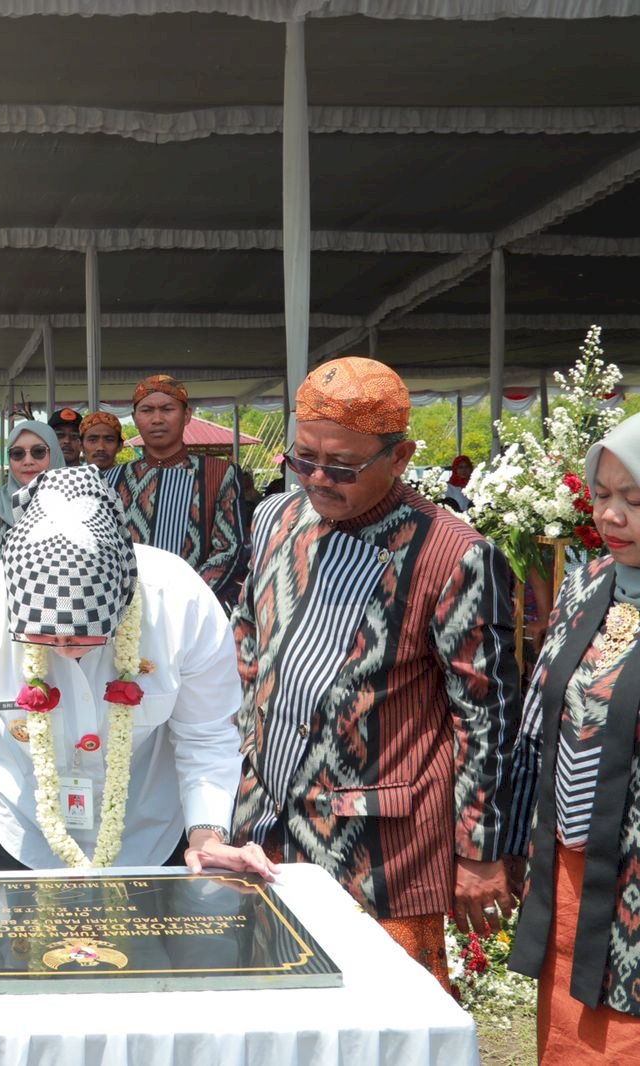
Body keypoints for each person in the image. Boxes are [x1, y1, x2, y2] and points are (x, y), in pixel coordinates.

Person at [230, 356, 520, 987]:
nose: (316, 478)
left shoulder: (453, 554)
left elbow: (485, 715)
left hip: (377, 850)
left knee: (381, 1026)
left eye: (342, 467)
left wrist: (478, 849)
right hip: (266, 833)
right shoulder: (275, 519)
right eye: (302, 458)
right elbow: (249, 640)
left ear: (402, 456)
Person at [0, 464, 272, 879]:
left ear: (122, 598)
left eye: (83, 637)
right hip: (25, 832)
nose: (66, 651)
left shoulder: (180, 602)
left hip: (148, 832)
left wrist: (207, 834)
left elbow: (206, 735)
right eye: (45, 639)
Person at [503, 413, 640, 1062]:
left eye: (635, 500)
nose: (613, 516)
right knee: (567, 1034)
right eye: (603, 495)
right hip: (572, 870)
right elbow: (538, 724)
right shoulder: (585, 585)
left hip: (633, 882)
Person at [106, 374, 248, 609]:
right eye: (147, 410)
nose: (157, 419)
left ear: (187, 415)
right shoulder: (111, 479)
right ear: (134, 418)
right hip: (127, 609)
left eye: (167, 409)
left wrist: (184, 598)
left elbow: (230, 548)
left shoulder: (219, 473)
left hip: (193, 611)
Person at [0, 420, 62, 579]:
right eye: (18, 454)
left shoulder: (76, 505)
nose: (28, 461)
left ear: (55, 454)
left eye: (38, 452)